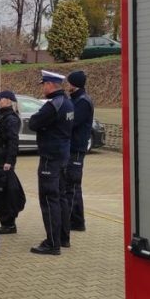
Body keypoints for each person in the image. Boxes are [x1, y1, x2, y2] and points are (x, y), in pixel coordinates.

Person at [28, 70, 75, 256]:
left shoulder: (53, 105)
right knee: (61, 197)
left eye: (44, 85)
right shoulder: (68, 102)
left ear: (49, 85)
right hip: (63, 155)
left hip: (50, 157)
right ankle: (63, 237)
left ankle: (52, 243)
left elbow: (33, 123)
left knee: (49, 199)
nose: (43, 88)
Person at [62, 70, 94, 235]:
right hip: (72, 148)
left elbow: (71, 122)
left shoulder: (82, 102)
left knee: (72, 186)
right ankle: (76, 221)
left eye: (68, 82)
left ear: (74, 84)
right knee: (73, 185)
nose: (66, 85)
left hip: (76, 149)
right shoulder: (75, 99)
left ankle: (71, 222)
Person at [0, 90, 22, 233]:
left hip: (4, 162)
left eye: (0, 99)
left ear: (8, 101)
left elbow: (13, 142)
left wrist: (9, 161)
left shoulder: (11, 119)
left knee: (3, 192)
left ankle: (9, 224)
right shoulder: (1, 116)